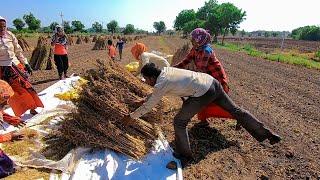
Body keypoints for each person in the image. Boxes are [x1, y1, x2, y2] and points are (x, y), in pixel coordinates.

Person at [122, 63, 281, 163]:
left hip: (202, 93)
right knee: (236, 111)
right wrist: (143, 100)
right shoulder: (166, 71)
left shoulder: (161, 84)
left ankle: (185, 156)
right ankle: (267, 133)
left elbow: (150, 104)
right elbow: (154, 95)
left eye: (146, 79)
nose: (146, 83)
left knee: (179, 122)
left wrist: (131, 117)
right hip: (212, 82)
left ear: (150, 77)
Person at [173, 28, 232, 127]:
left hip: (217, 80)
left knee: (217, 104)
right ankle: (203, 120)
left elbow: (201, 69)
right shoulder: (195, 49)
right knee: (201, 100)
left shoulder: (206, 51)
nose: (191, 41)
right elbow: (185, 61)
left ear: (199, 40)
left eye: (193, 39)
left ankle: (235, 115)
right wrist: (172, 69)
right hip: (207, 79)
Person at [0, 16, 43, 117]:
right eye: (0, 27)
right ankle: (14, 113)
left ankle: (33, 107)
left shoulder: (10, 35)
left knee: (26, 87)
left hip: (14, 66)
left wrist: (26, 63)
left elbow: (18, 51)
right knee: (9, 93)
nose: (2, 29)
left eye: (4, 26)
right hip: (1, 69)